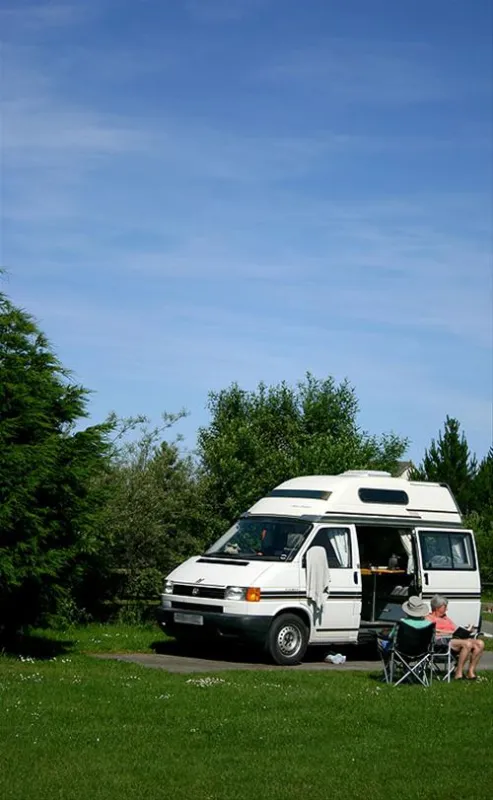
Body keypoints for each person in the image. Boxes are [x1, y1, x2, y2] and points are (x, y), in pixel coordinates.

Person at [427, 594, 484, 680]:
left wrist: (467, 630)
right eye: (444, 607)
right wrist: (450, 633)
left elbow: (455, 629)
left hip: (454, 639)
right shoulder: (428, 618)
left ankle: (470, 672)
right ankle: (458, 672)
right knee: (467, 644)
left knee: (480, 643)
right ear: (437, 607)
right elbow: (434, 632)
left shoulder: (446, 618)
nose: (447, 609)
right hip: (441, 643)